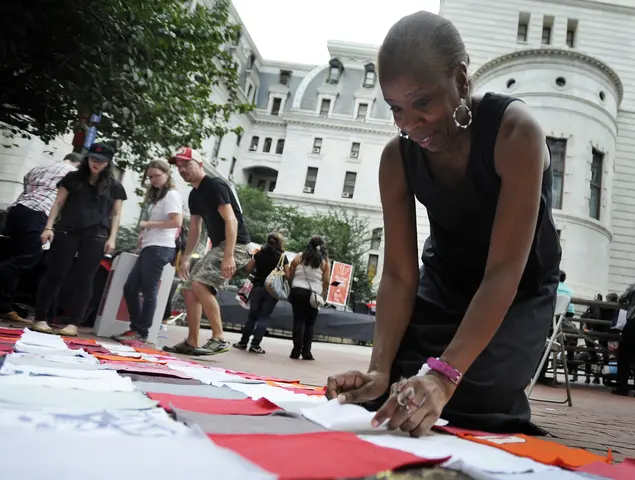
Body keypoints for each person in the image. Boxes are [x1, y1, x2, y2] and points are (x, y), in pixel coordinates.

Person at [325, 11, 562, 436]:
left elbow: (504, 269)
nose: (409, 124)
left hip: (518, 287)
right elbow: (398, 274)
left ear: (461, 79)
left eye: (422, 102)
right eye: (396, 107)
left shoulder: (516, 134)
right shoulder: (396, 158)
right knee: (399, 386)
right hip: (444, 280)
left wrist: (445, 374)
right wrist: (378, 370)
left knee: (471, 392)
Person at [163, 147, 251, 356]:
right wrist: (185, 257)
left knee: (199, 284)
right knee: (187, 288)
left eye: (187, 164)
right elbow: (195, 228)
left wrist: (229, 256)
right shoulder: (194, 195)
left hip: (236, 245)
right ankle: (192, 341)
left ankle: (219, 338)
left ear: (199, 164)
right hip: (219, 246)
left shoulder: (215, 185)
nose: (182, 169)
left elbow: (231, 220)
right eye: (179, 166)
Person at [32, 143, 127, 336]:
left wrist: (112, 238)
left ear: (108, 163)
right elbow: (58, 202)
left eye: (100, 161)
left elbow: (116, 214)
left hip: (97, 233)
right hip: (68, 229)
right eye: (92, 159)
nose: (95, 163)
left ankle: (73, 323)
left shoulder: (115, 186)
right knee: (55, 273)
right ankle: (40, 318)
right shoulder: (72, 178)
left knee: (85, 278)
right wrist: (49, 226)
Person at [0, 153, 82, 323]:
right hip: (38, 214)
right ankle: (4, 306)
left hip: (17, 210)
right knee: (26, 259)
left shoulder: (38, 169)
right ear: (79, 164)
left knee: (14, 256)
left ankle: (5, 307)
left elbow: (26, 185)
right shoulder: (73, 173)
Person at [115, 159, 183, 343]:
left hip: (161, 247)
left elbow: (177, 222)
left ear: (167, 174)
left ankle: (142, 332)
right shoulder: (158, 195)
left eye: (157, 175)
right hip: (150, 245)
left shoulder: (171, 195)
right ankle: (137, 328)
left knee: (148, 289)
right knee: (131, 287)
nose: (153, 179)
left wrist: (148, 224)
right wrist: (144, 234)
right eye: (150, 176)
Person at [233, 232, 289, 354]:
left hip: (257, 287)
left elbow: (248, 268)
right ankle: (255, 345)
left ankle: (243, 342)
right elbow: (288, 275)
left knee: (252, 316)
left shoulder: (259, 253)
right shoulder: (282, 257)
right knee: (264, 317)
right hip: (272, 290)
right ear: (280, 243)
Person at [288, 236, 330, 361]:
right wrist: (322, 291)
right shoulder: (324, 262)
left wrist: (292, 285)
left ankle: (295, 351)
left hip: (297, 290)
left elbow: (290, 273)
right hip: (314, 294)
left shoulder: (299, 257)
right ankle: (306, 352)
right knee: (310, 324)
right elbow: (326, 280)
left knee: (298, 321)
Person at [614, 271, 635, 397]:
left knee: (624, 356)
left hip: (634, 324)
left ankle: (622, 387)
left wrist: (630, 307)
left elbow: (621, 300)